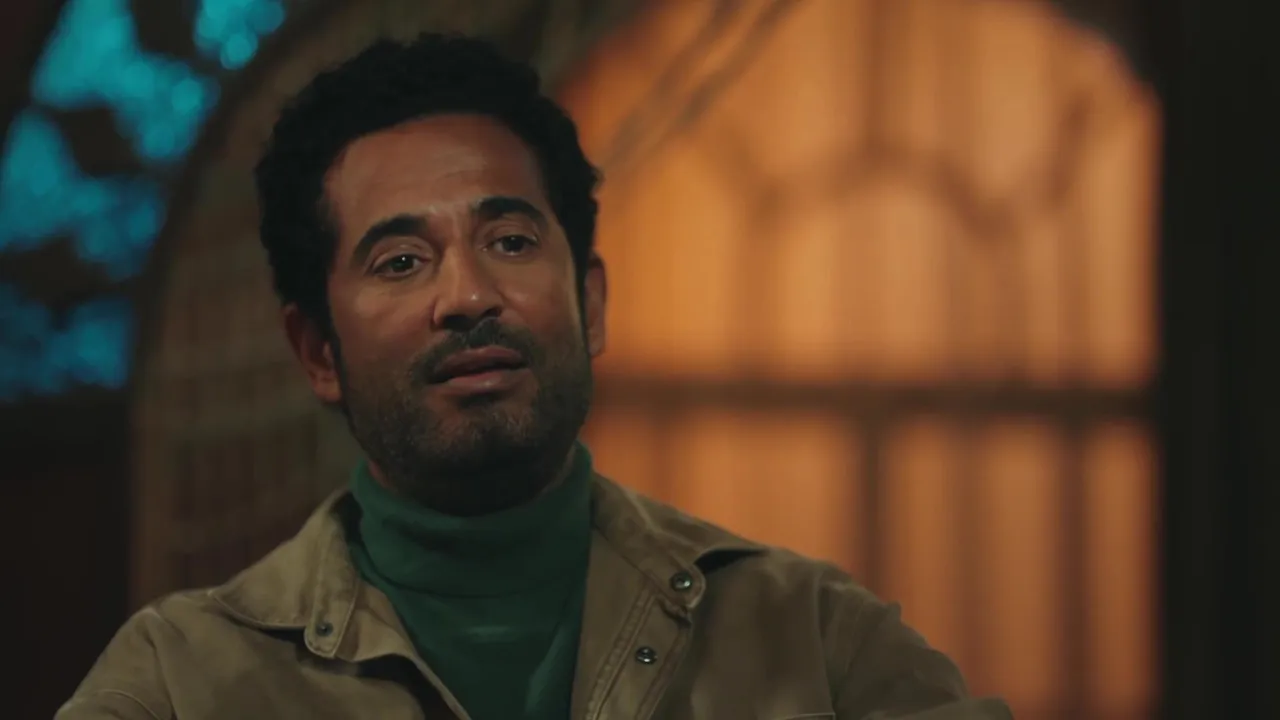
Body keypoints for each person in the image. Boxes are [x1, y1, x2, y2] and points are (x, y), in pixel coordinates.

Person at [57, 33, 1011, 720]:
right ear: (317, 353)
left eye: (510, 241)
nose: (468, 296)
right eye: (401, 261)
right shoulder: (180, 681)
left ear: (590, 303)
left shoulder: (813, 641)